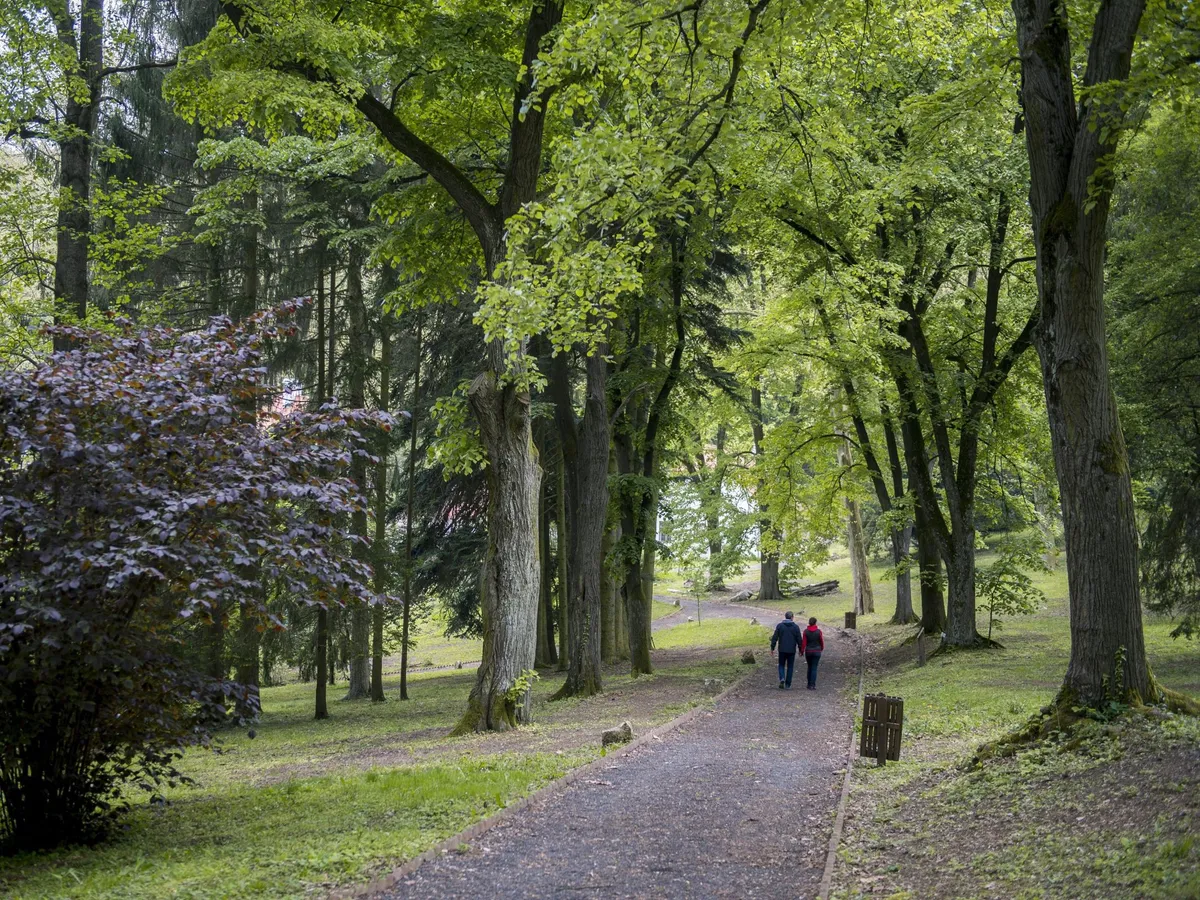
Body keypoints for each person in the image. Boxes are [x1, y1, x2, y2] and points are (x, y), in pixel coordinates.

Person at [769, 611, 803, 689]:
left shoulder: (780, 626)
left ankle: (782, 678)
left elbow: (775, 637)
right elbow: (799, 639)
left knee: (781, 665)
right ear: (792, 617)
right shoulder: (795, 627)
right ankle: (788, 684)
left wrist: (772, 647)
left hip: (782, 649)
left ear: (785, 617)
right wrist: (801, 649)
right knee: (790, 667)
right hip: (791, 650)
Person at [801, 616, 824, 690]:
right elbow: (821, 641)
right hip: (817, 651)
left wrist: (802, 651)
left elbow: (804, 643)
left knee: (809, 667)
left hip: (808, 651)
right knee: (814, 668)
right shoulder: (818, 631)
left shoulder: (805, 631)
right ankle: (812, 685)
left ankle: (808, 684)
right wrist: (821, 648)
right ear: (815, 623)